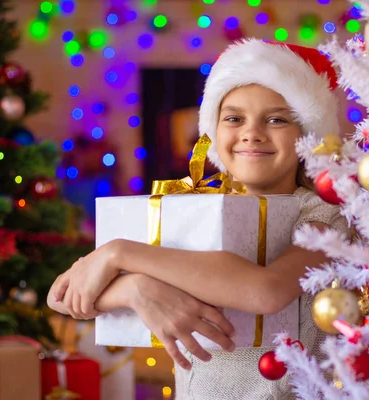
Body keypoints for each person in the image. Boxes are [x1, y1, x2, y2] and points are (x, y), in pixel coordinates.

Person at [48, 38, 349, 399]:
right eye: (234, 118)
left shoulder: (324, 215)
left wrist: (119, 255)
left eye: (276, 119)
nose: (251, 132)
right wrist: (138, 289)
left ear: (306, 134)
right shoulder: (191, 209)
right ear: (213, 131)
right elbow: (62, 297)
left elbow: (266, 291)